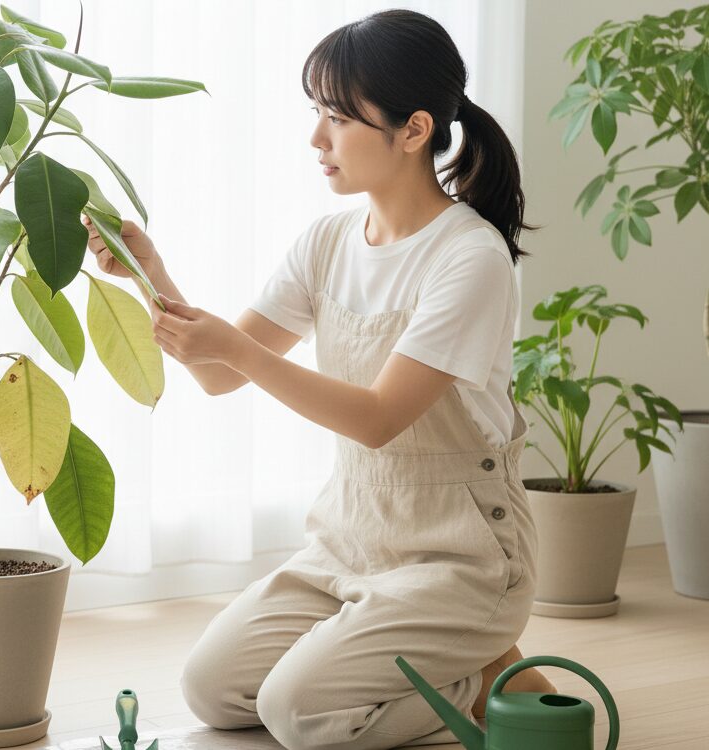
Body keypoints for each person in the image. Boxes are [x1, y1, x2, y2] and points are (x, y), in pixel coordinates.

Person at [82, 8, 557, 748]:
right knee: (213, 689)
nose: (316, 139)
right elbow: (218, 376)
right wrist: (151, 274)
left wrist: (239, 352)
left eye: (337, 118)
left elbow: (377, 418)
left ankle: (481, 676)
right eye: (317, 114)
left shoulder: (471, 258)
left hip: (459, 553)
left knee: (298, 712)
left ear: (414, 130)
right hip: (351, 536)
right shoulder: (328, 241)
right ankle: (432, 653)